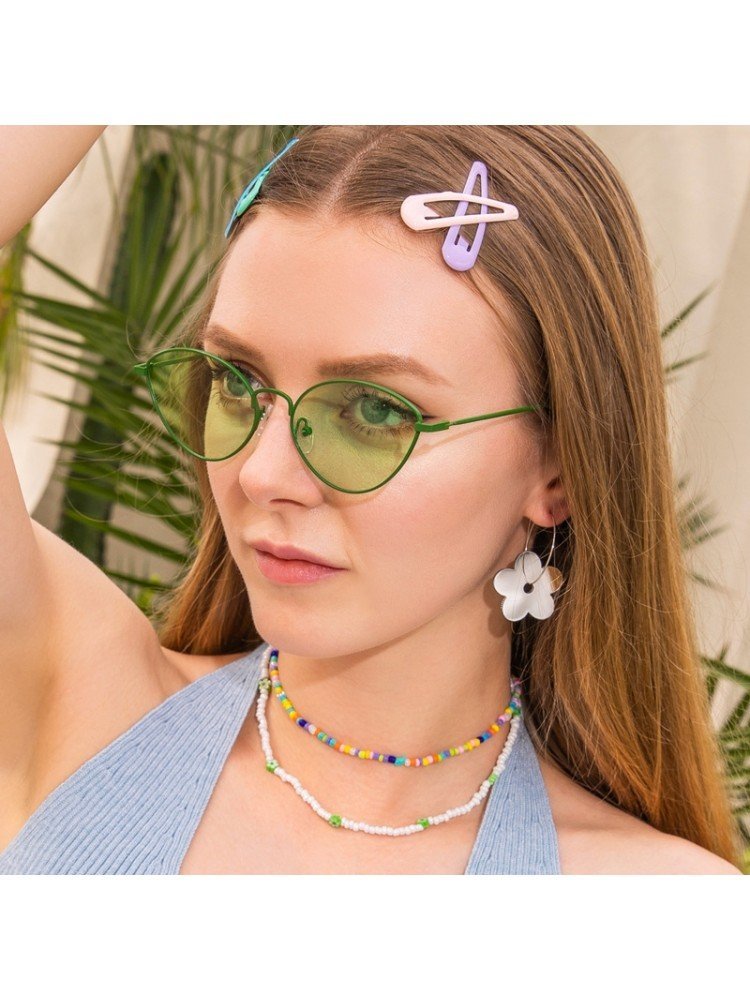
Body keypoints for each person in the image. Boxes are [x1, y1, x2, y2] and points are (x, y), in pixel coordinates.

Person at [0, 125, 743, 874]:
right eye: (236, 381)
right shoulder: (67, 698)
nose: (263, 474)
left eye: (376, 411)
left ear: (558, 472)